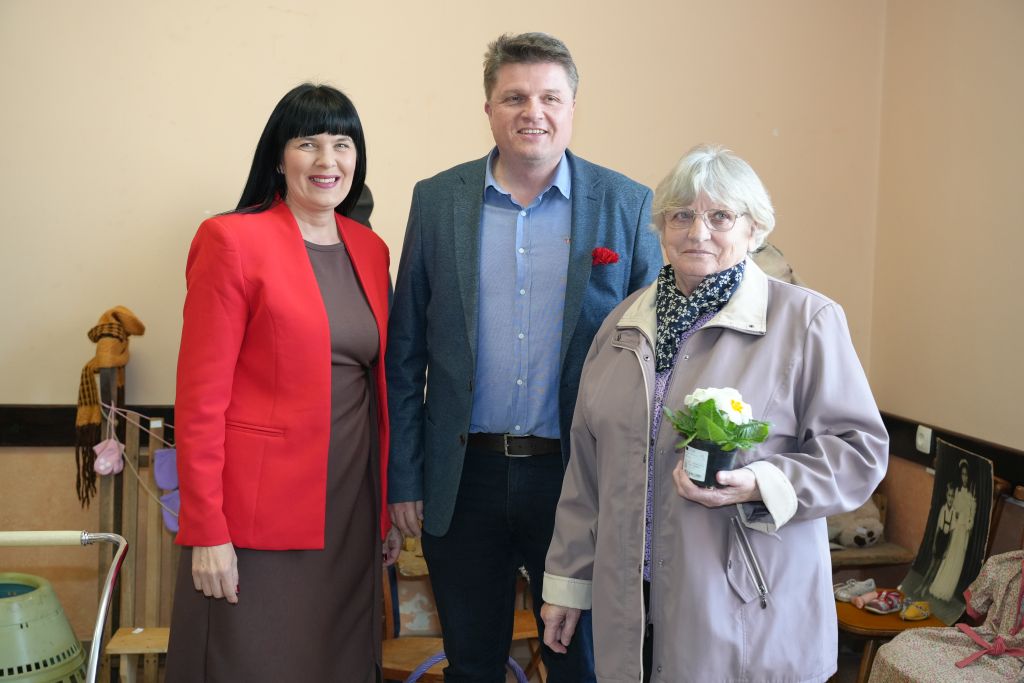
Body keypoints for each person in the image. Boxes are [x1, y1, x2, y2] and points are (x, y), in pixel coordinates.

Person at [540, 144, 889, 682]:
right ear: (662, 228)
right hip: (629, 607)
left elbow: (858, 452)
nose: (697, 232)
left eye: (720, 216)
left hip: (742, 606)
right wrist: (568, 582)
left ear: (754, 229)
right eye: (681, 215)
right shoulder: (621, 327)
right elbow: (586, 473)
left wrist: (761, 482)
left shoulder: (806, 321)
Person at [386, 32, 662, 682]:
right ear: (488, 107)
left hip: (576, 479)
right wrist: (406, 478)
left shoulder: (626, 204)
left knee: (579, 667)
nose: (532, 111)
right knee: (471, 664)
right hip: (463, 478)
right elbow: (405, 352)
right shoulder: (438, 201)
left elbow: (656, 360)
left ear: (573, 107)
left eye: (549, 97)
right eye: (514, 97)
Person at [165, 83, 401, 683]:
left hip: (349, 511)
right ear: (278, 156)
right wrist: (206, 528)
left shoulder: (371, 249)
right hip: (257, 520)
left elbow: (378, 390)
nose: (327, 160)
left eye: (342, 144)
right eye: (307, 143)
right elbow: (199, 401)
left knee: (339, 665)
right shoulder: (231, 240)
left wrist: (381, 514)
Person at [930, 459, 977, 600]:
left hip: (962, 533)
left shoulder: (971, 498)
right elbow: (953, 510)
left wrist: (965, 523)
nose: (964, 478)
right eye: (963, 474)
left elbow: (971, 521)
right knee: (948, 558)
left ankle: (948, 591)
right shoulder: (956, 492)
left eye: (966, 475)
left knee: (957, 561)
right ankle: (939, 587)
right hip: (954, 530)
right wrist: (956, 519)